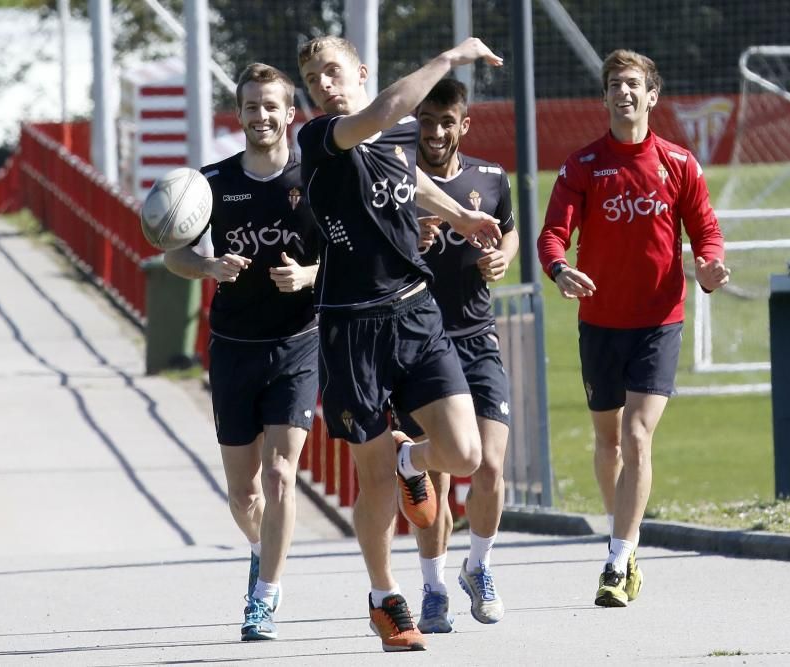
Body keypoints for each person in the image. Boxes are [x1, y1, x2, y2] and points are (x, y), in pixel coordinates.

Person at [296, 36, 502, 652]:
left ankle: (415, 461)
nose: (323, 85)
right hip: (349, 326)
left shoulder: (397, 132)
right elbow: (383, 115)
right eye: (312, 78)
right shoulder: (321, 137)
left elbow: (406, 179)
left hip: (414, 311)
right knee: (373, 477)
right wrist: (447, 59)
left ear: (358, 70)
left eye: (332, 71)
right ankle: (385, 598)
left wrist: (461, 218)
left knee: (465, 455)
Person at [537, 49, 731, 608]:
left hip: (658, 321)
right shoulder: (582, 167)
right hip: (599, 323)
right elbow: (553, 234)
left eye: (633, 84)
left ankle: (618, 560)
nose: (623, 92)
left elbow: (706, 232)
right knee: (607, 443)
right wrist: (559, 269)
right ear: (604, 98)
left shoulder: (679, 164)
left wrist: (710, 267)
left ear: (652, 96)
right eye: (614, 85)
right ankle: (626, 535)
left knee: (636, 435)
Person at [163, 63, 320, 641]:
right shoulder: (210, 182)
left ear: (289, 113)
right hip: (232, 347)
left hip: (297, 344)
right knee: (244, 491)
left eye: (271, 106)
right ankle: (260, 548)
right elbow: (172, 255)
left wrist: (309, 275)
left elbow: (349, 255)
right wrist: (208, 265)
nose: (262, 116)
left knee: (281, 476)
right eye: (251, 106)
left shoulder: (315, 179)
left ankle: (265, 597)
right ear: (240, 113)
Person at [390, 78, 519, 633]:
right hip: (419, 342)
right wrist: (407, 242)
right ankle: (434, 587)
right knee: (440, 477)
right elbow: (366, 253)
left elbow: (509, 233)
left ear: (465, 124)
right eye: (427, 120)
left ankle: (480, 567)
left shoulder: (489, 178)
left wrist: (501, 259)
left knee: (489, 464)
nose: (436, 132)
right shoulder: (394, 182)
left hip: (475, 336)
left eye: (448, 121)